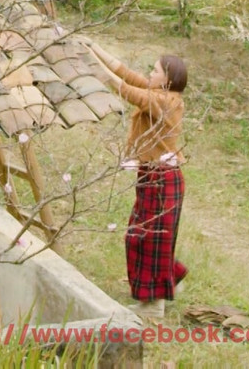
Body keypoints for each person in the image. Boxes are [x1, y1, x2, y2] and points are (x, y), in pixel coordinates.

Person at [87, 42, 189, 319]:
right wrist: (94, 48)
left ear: (167, 79)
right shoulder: (159, 93)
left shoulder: (166, 102)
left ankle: (153, 304)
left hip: (161, 179)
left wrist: (88, 63)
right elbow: (127, 74)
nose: (150, 73)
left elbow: (126, 89)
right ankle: (167, 282)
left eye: (155, 71)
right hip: (155, 176)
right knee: (150, 238)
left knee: (145, 238)